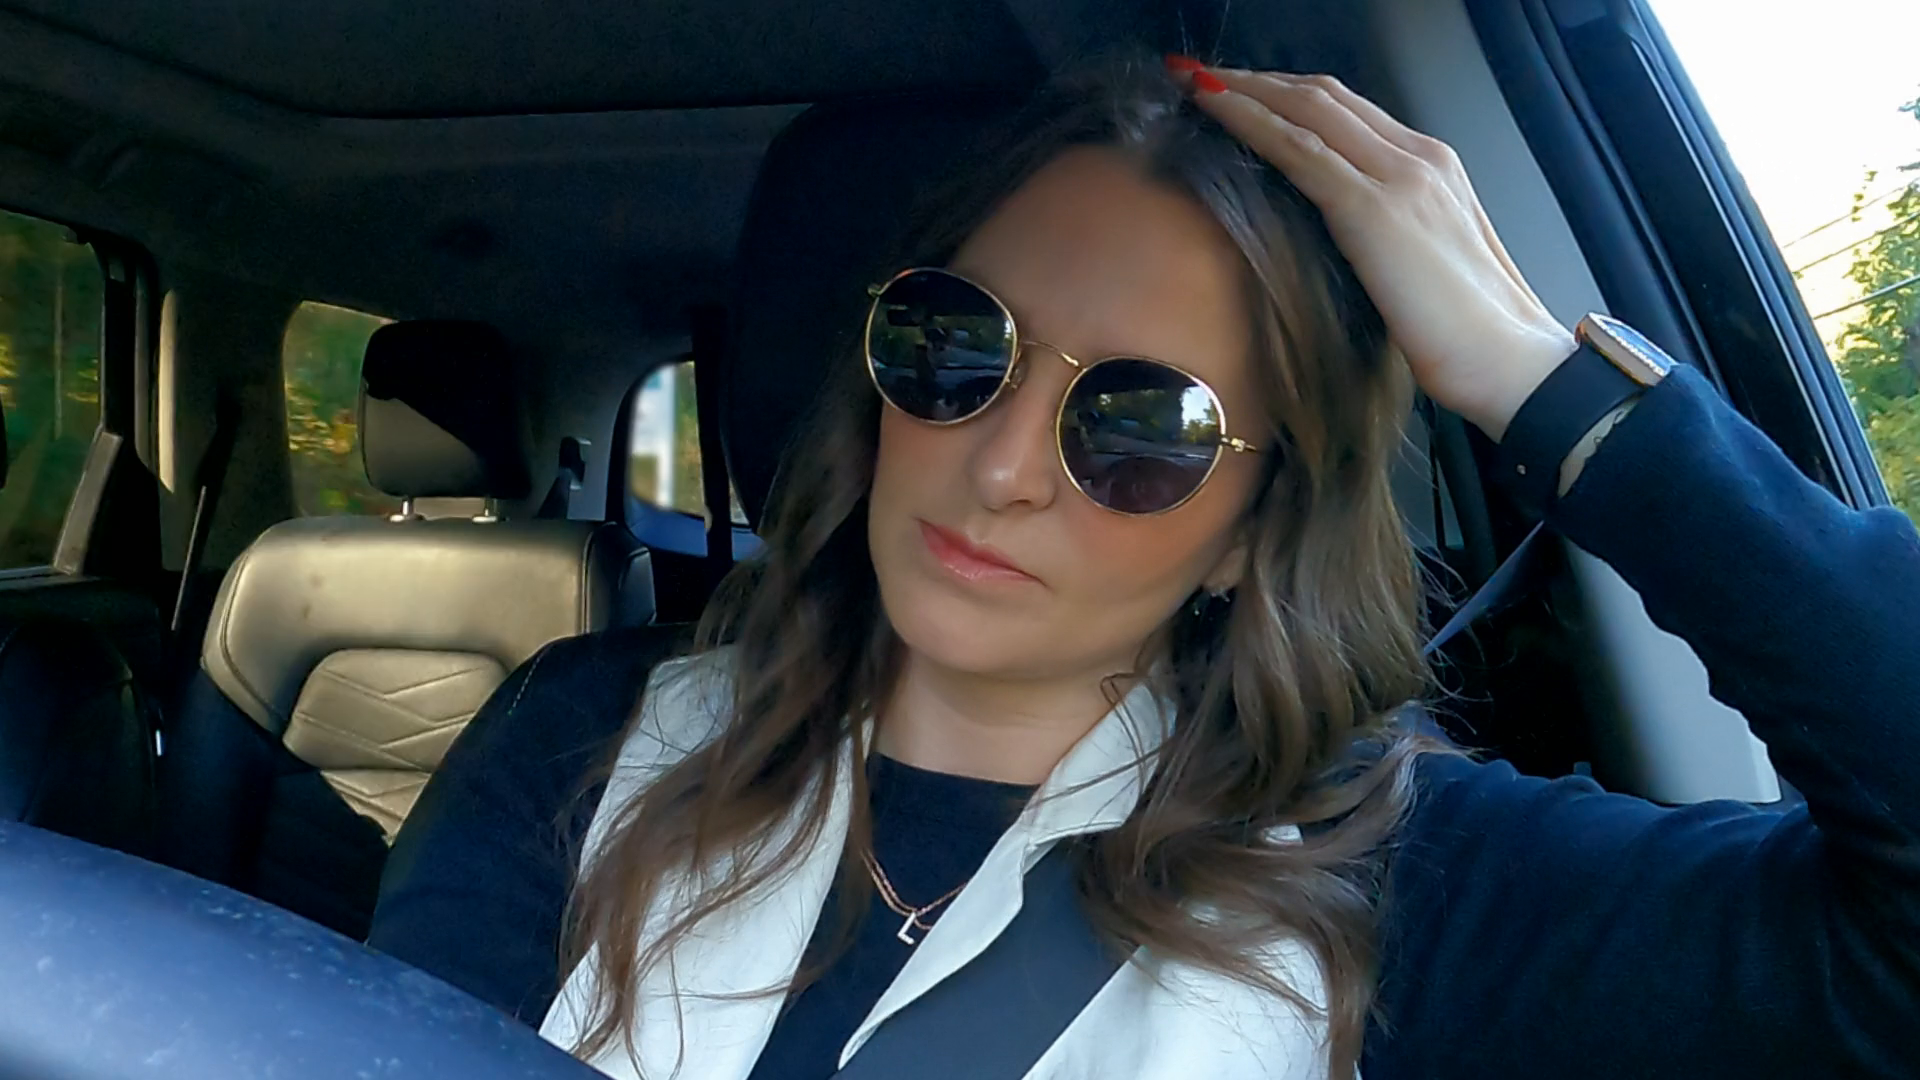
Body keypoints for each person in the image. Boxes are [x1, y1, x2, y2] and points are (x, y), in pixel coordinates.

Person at [369, 57, 1920, 1079]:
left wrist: (1544, 382)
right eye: (956, 347)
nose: (1001, 465)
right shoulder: (589, 741)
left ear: (1252, 526)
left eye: (1141, 426)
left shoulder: (1402, 883)